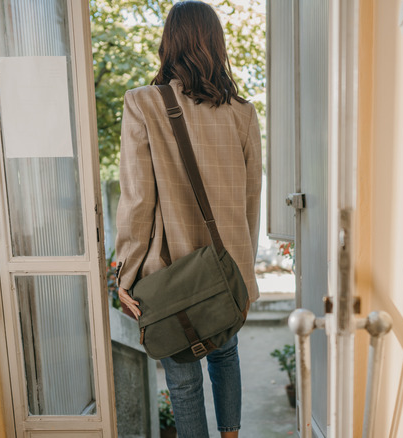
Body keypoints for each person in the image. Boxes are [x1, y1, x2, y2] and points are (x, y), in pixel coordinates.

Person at [113, 2, 262, 437]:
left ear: (169, 42)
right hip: (226, 267)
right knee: (226, 354)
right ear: (216, 44)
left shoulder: (143, 104)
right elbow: (251, 201)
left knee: (182, 379)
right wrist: (245, 272)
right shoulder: (242, 112)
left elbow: (138, 199)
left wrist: (126, 271)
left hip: (170, 269)